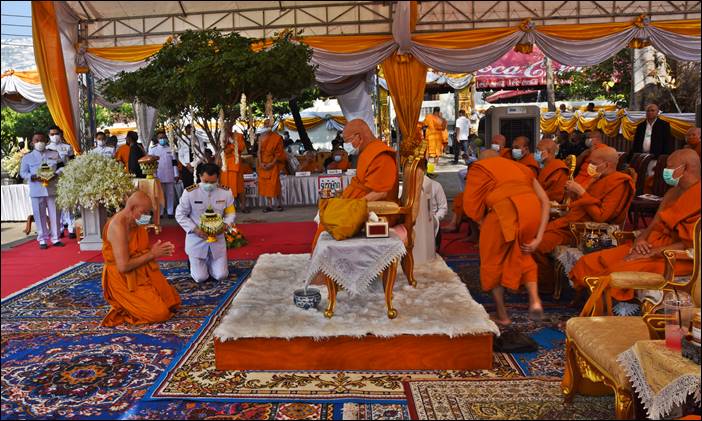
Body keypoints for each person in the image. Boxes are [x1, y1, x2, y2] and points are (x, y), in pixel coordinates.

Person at [570, 149, 701, 302]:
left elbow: (692, 244)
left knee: (616, 271)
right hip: (651, 245)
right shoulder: (672, 192)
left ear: (684, 168)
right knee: (588, 262)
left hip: (676, 257)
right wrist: (641, 240)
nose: (665, 171)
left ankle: (610, 313)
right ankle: (596, 304)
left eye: (670, 167)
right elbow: (655, 223)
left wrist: (652, 252)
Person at [463, 150, 551, 326]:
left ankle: (502, 315)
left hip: (505, 212)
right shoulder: (522, 168)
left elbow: (470, 205)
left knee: (492, 263)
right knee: (524, 254)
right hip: (532, 212)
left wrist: (483, 221)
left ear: (482, 160)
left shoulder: (480, 168)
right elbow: (545, 200)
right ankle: (534, 300)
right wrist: (539, 237)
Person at [533, 147, 635, 292]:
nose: (589, 166)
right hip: (571, 222)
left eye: (593, 163)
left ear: (606, 164)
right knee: (531, 232)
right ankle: (542, 279)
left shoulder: (619, 183)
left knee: (537, 244)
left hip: (585, 232)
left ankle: (546, 284)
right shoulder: (599, 178)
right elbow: (583, 204)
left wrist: (580, 192)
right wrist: (574, 193)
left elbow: (601, 216)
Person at [311, 119, 398, 249]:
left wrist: (353, 207)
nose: (347, 144)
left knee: (333, 218)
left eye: (348, 140)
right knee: (328, 212)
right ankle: (324, 264)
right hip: (359, 201)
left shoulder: (381, 156)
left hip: (377, 210)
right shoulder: (369, 151)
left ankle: (329, 264)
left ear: (359, 136)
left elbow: (381, 192)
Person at [101, 191, 180, 327]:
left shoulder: (137, 219)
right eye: (145, 212)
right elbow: (123, 266)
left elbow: (140, 244)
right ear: (132, 209)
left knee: (172, 303)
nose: (146, 217)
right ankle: (122, 306)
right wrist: (152, 254)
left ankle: (137, 302)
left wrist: (154, 249)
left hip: (141, 270)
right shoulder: (118, 226)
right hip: (122, 278)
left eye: (148, 212)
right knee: (160, 314)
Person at [175, 164, 236, 283]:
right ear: (199, 177)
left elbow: (230, 213)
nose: (209, 185)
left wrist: (225, 225)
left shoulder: (226, 192)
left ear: (218, 178)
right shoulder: (190, 192)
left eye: (213, 182)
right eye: (206, 181)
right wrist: (195, 229)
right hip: (197, 239)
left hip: (217, 239)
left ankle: (210, 263)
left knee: (221, 276)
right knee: (200, 278)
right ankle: (195, 262)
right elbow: (180, 214)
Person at [20, 132, 65, 249]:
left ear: (46, 141)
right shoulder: (27, 157)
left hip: (52, 188)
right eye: (37, 140)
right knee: (39, 215)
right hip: (37, 189)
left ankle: (56, 238)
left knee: (55, 214)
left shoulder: (54, 154)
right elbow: (23, 173)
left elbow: (62, 166)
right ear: (32, 143)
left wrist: (56, 174)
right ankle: (42, 239)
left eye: (42, 140)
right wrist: (33, 177)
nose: (39, 142)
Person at [47, 126, 76, 239]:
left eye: (56, 133)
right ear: (49, 135)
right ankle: (59, 229)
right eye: (52, 134)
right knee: (56, 204)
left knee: (68, 204)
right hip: (52, 179)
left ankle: (71, 228)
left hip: (66, 178)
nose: (54, 136)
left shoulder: (67, 147)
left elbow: (73, 163)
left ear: (61, 134)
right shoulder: (47, 148)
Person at [257, 120, 287, 212]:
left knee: (275, 184)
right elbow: (259, 152)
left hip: (273, 164)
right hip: (263, 164)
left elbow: (278, 154)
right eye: (265, 124)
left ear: (272, 126)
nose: (266, 126)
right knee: (265, 185)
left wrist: (272, 163)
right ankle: (269, 205)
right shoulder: (261, 137)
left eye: (268, 124)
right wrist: (261, 162)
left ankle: (279, 204)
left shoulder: (277, 138)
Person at [149, 131, 179, 218]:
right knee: (160, 195)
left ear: (166, 138)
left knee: (170, 194)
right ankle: (161, 212)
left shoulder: (170, 149)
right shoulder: (153, 149)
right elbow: (151, 164)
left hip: (170, 174)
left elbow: (174, 163)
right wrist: (153, 175)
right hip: (159, 175)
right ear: (157, 139)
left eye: (163, 137)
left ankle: (170, 212)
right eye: (160, 138)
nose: (162, 139)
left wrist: (176, 174)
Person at [220, 127, 249, 213]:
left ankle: (243, 207)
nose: (227, 130)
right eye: (225, 128)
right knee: (227, 189)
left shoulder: (239, 136)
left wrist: (232, 142)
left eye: (228, 127)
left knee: (240, 188)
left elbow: (241, 148)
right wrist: (227, 142)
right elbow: (224, 150)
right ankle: (230, 207)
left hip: (236, 166)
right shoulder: (222, 137)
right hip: (226, 167)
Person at [535, 138, 569, 202]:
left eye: (539, 150)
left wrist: (535, 196)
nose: (536, 153)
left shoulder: (558, 168)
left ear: (549, 152)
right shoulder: (543, 166)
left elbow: (556, 195)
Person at [423, 169, 448, 249]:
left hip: (432, 221)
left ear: (424, 169)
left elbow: (443, 208)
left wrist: (435, 219)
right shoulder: (408, 186)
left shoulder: (436, 186)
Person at [176, 124, 200, 189]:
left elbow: (201, 154)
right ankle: (189, 199)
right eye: (189, 130)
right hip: (185, 166)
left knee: (198, 185)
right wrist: (187, 165)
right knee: (187, 186)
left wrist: (192, 164)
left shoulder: (199, 139)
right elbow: (180, 155)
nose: (191, 131)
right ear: (186, 131)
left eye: (192, 130)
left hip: (197, 165)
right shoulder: (181, 140)